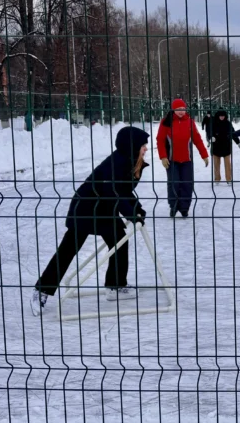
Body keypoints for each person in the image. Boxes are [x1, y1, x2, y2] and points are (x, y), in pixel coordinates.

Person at [31, 126, 149, 315]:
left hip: (104, 208)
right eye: (143, 145)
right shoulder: (118, 163)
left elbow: (124, 191)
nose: (146, 149)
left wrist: (137, 210)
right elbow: (113, 191)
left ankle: (115, 286)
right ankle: (41, 290)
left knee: (119, 242)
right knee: (69, 248)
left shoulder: (129, 161)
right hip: (86, 208)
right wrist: (131, 214)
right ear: (132, 145)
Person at [156, 99, 209, 218]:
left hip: (187, 160)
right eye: (178, 109)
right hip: (171, 160)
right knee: (174, 183)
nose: (181, 112)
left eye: (183, 109)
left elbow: (197, 139)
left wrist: (204, 155)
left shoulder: (190, 122)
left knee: (187, 183)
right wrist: (163, 157)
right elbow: (160, 140)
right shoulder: (166, 122)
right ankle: (173, 206)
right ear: (173, 110)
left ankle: (184, 207)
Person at [210, 109, 240, 183]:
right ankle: (217, 179)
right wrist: (211, 137)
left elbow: (232, 133)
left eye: (223, 116)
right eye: (220, 116)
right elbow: (209, 132)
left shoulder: (228, 123)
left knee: (228, 165)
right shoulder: (214, 123)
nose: (222, 117)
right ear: (218, 116)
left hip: (226, 146)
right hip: (216, 147)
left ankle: (229, 179)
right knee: (216, 165)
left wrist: (238, 142)